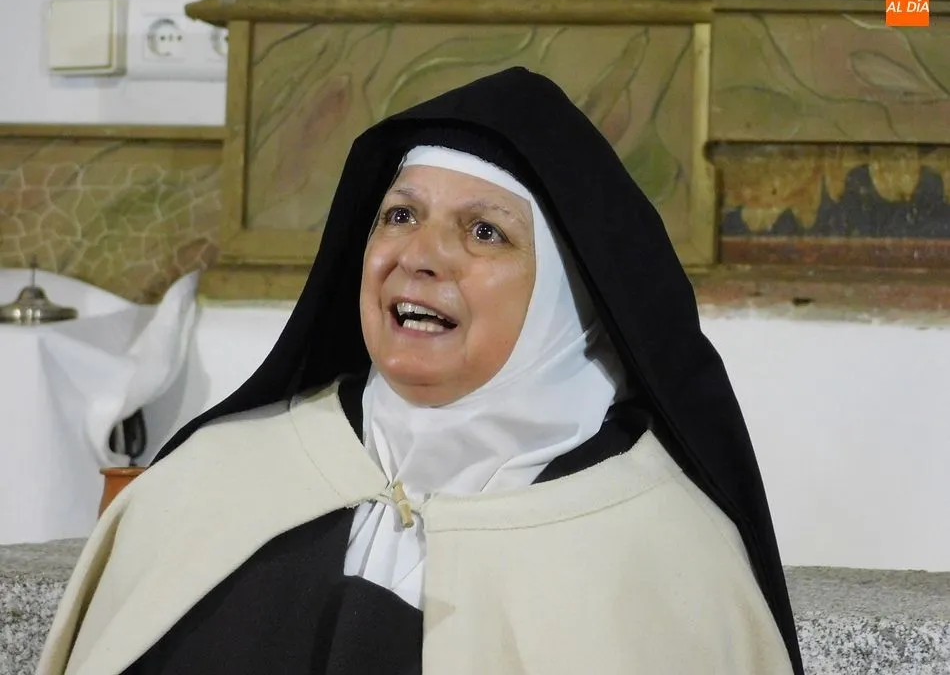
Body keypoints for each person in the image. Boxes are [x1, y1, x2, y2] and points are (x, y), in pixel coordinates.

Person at [38, 67, 803, 675]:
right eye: (400, 215)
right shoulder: (214, 481)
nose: (418, 256)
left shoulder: (666, 562)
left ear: (570, 300)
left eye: (484, 231)